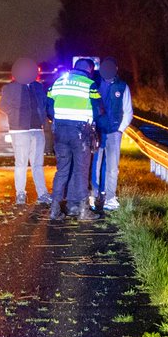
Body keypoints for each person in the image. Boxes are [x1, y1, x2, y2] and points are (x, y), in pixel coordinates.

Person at [47, 58, 101, 222]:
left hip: (60, 132)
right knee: (81, 170)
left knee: (62, 170)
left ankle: (54, 210)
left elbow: (49, 108)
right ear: (90, 70)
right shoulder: (89, 84)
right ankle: (84, 211)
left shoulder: (58, 82)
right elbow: (98, 110)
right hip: (80, 133)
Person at [0, 57, 51, 207]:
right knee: (21, 163)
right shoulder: (10, 88)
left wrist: (43, 120)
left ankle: (42, 194)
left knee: (37, 164)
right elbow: (3, 106)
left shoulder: (39, 87)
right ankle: (20, 193)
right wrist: (15, 114)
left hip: (37, 129)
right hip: (19, 130)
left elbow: (44, 104)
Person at [89, 57, 133, 212]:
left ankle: (110, 197)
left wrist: (120, 129)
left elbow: (128, 111)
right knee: (96, 164)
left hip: (114, 132)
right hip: (97, 131)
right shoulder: (94, 85)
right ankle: (94, 196)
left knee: (112, 167)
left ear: (116, 68)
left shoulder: (122, 87)